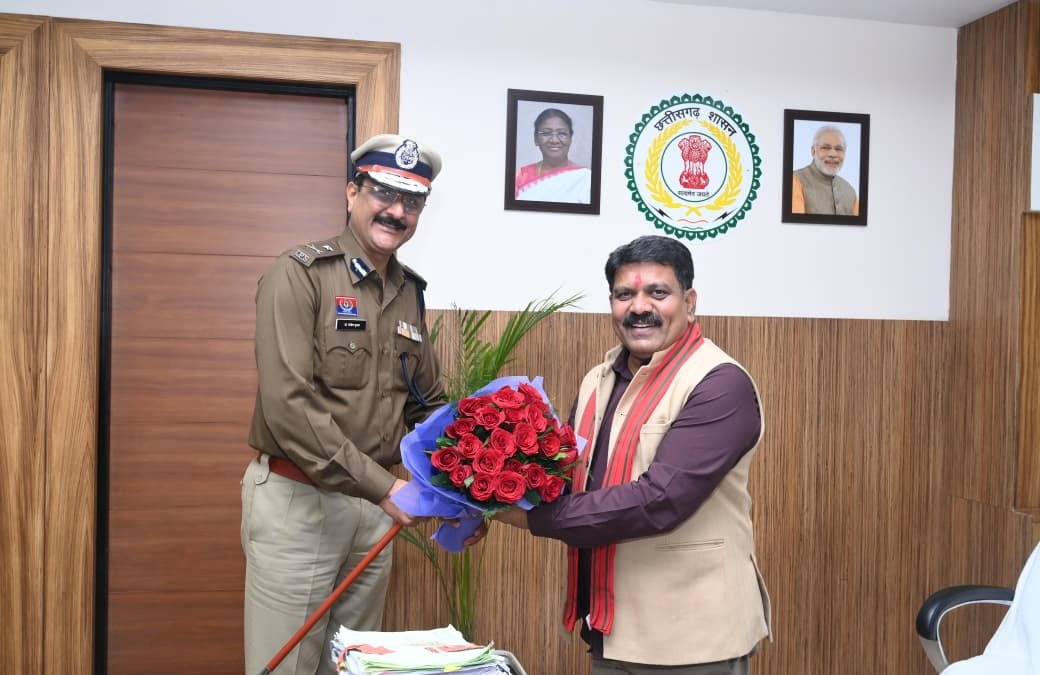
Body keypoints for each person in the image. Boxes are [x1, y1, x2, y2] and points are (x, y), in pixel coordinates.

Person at [490, 235, 771, 674]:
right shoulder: (597, 380)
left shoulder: (719, 383)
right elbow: (564, 478)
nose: (639, 307)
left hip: (692, 642)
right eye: (625, 295)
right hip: (612, 630)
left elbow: (658, 501)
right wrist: (481, 493)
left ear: (689, 302)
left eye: (658, 292)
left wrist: (524, 518)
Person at [241, 134, 446, 674]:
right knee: (285, 666)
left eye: (412, 201)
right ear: (352, 193)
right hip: (301, 501)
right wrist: (386, 489)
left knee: (353, 665)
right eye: (384, 193)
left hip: (375, 510)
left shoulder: (409, 292)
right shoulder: (300, 274)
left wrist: (466, 487)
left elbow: (427, 405)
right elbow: (288, 405)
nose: (397, 211)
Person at [515, 107, 592, 203]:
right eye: (546, 133)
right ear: (536, 139)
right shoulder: (521, 176)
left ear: (570, 139)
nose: (554, 140)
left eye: (562, 133)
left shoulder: (586, 178)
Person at [791, 125, 859, 216]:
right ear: (813, 151)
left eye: (839, 149)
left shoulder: (850, 191)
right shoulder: (795, 181)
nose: (833, 154)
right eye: (825, 148)